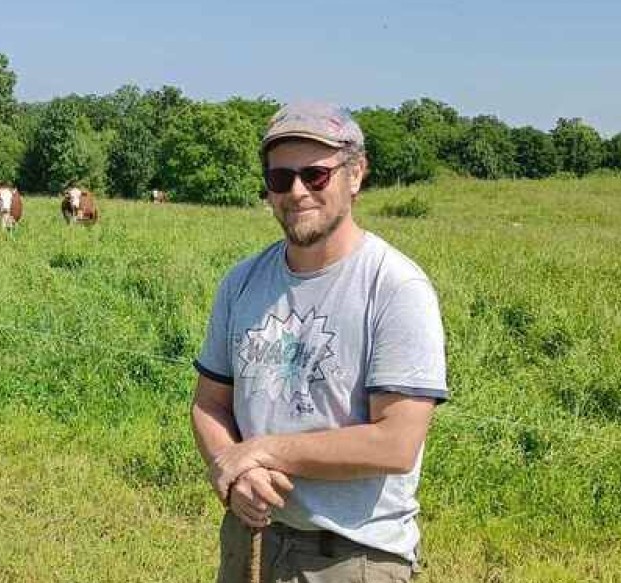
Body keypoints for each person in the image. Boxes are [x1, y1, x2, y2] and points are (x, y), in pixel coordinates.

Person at [190, 101, 449, 582]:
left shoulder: (393, 288)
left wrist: (262, 451)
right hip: (251, 538)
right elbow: (210, 404)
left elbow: (395, 442)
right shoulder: (242, 282)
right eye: (279, 178)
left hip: (349, 556)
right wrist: (234, 472)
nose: (296, 191)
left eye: (316, 175)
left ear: (356, 175)